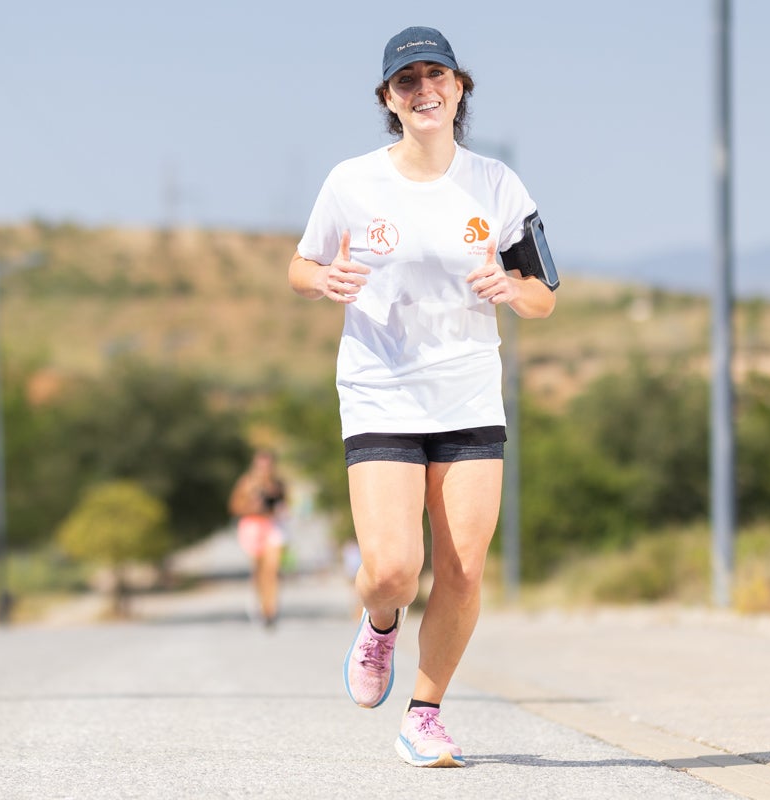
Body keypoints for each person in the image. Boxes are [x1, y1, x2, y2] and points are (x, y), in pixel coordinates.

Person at [287, 26, 557, 767]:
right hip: (380, 391)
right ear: (388, 100)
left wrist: (512, 286)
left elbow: (543, 297)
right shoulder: (351, 182)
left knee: (464, 569)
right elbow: (300, 266)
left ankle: (425, 714)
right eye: (407, 82)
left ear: (459, 88)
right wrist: (324, 281)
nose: (424, 89)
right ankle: (379, 623)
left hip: (468, 396)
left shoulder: (499, 185)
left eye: (437, 75)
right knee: (396, 569)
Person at [229, 450, 287, 628]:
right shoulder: (246, 483)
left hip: (272, 526)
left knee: (272, 569)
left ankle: (271, 608)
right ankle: (260, 604)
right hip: (252, 526)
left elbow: (284, 505)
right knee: (259, 570)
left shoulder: (278, 485)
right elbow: (234, 507)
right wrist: (252, 506)